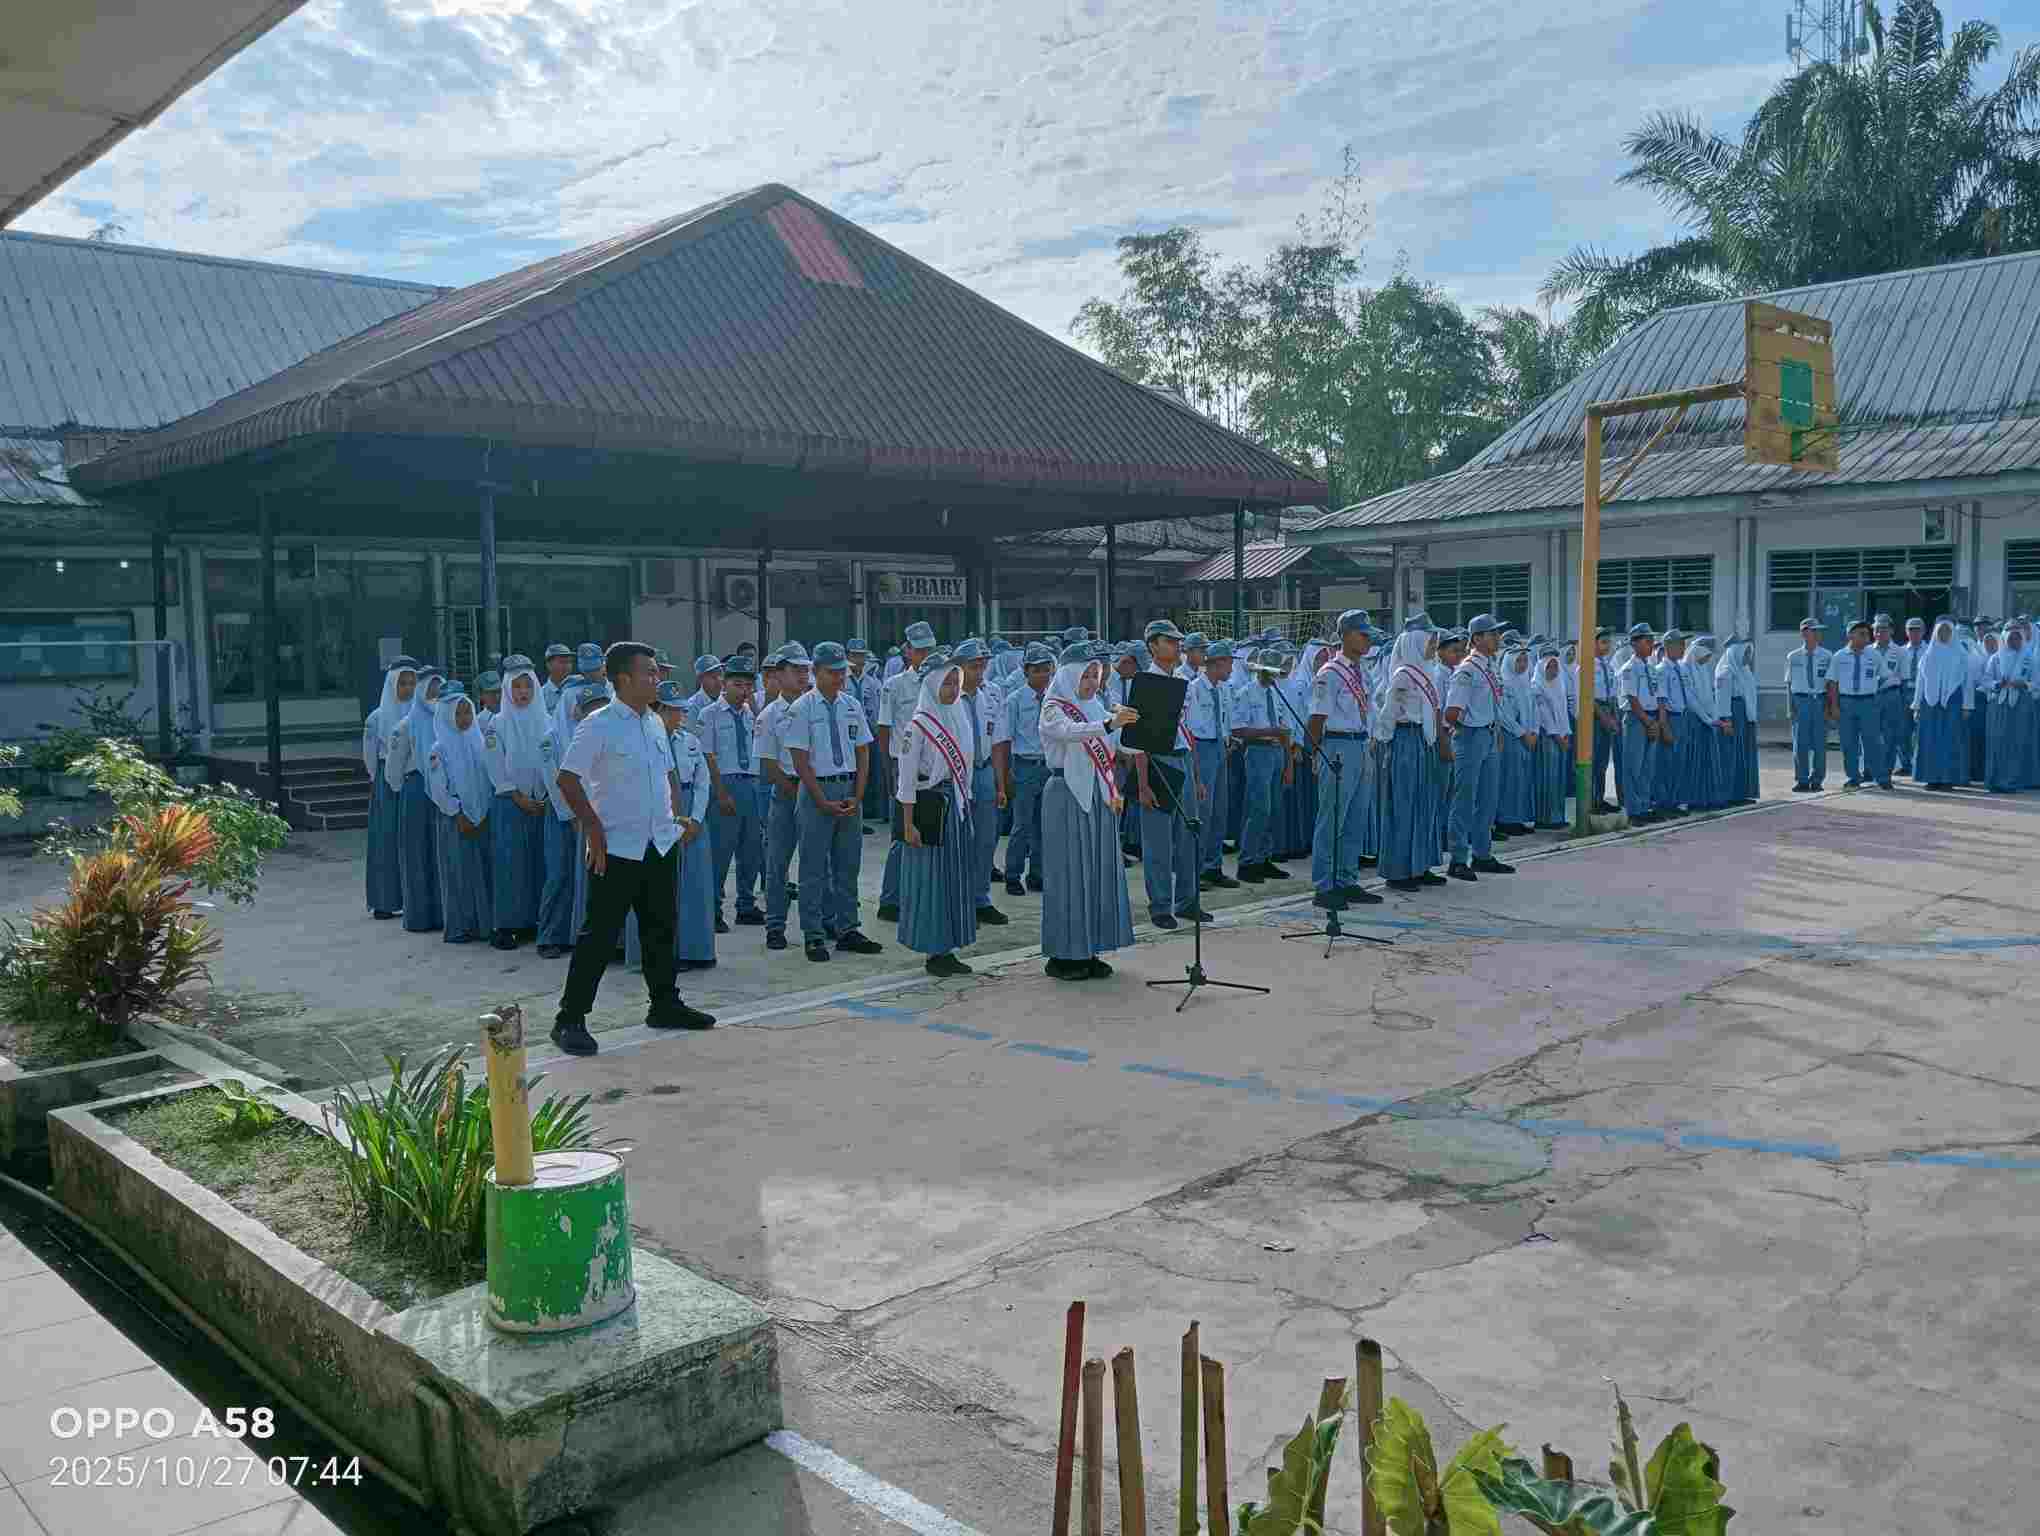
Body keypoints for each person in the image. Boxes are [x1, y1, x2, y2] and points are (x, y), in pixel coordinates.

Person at [549, 642, 715, 1057]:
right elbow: (567, 779)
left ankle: (664, 1004)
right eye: (650, 673)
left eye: (657, 673)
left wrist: (677, 818)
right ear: (623, 678)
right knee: (599, 935)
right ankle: (569, 1019)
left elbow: (668, 775)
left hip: (658, 843)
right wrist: (592, 829)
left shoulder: (655, 723)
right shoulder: (598, 724)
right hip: (617, 847)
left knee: (661, 929)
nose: (657, 679)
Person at [1037, 642, 1140, 979]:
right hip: (1065, 794)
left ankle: (1090, 948)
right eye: (1087, 675)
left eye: (1096, 675)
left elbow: (1113, 744)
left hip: (1097, 793)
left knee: (1094, 872)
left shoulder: (1094, 705)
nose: (1093, 681)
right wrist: (1110, 724)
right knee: (1069, 874)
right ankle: (1063, 955)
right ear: (1069, 675)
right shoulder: (1053, 707)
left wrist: (1134, 723)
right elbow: (1069, 733)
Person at [787, 642, 883, 962]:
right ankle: (814, 934)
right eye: (832, 672)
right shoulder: (802, 708)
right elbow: (800, 760)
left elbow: (863, 751)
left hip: (847, 790)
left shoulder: (851, 704)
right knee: (814, 868)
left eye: (843, 671)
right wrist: (820, 799)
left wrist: (858, 794)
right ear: (815, 672)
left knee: (848, 865)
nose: (840, 677)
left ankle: (848, 929)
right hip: (818, 790)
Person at [895, 653, 978, 976]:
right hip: (928, 808)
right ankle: (934, 949)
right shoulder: (917, 725)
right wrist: (908, 824)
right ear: (931, 685)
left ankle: (949, 947)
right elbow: (906, 779)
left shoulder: (957, 717)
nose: (953, 689)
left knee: (954, 877)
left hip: (954, 802)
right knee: (932, 880)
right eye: (946, 683)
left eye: (956, 683)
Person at [624, 682, 713, 976]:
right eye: (673, 710)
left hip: (689, 808)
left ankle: (694, 950)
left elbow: (702, 781)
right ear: (657, 710)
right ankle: (656, 954)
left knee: (693, 885)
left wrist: (696, 819)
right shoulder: (643, 741)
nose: (679, 716)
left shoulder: (689, 741)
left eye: (681, 710)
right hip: (657, 811)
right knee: (656, 888)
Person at [1133, 619, 1209, 929]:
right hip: (1157, 763)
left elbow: (1188, 732)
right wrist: (1143, 784)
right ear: (1153, 645)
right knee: (1158, 841)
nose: (1178, 646)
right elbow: (1135, 738)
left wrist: (1197, 776)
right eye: (1171, 641)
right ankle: (1161, 905)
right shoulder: (1145, 682)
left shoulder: (1183, 681)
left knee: (1189, 834)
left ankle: (1188, 901)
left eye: (1179, 641)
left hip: (1183, 759)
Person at [1307, 609, 1382, 908]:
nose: (1366, 641)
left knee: (1355, 817)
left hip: (1361, 745)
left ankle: (1347, 879)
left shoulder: (1360, 672)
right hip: (1337, 745)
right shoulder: (1330, 673)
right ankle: (1324, 885)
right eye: (1362, 634)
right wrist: (1317, 753)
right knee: (1332, 817)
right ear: (1347, 635)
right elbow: (1316, 719)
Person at [1371, 625, 1447, 892]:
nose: (1433, 648)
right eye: (1430, 643)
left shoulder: (1427, 672)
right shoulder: (1403, 675)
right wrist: (1383, 743)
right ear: (1415, 644)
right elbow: (1388, 713)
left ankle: (1420, 865)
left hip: (1423, 741)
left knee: (1423, 803)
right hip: (1404, 741)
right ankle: (1399, 871)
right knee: (1403, 805)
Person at [482, 660, 550, 950]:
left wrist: (544, 796)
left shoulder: (546, 721)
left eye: (527, 686)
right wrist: (518, 796)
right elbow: (495, 766)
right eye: (517, 687)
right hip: (511, 803)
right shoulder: (496, 724)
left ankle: (535, 921)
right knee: (511, 864)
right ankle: (507, 925)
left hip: (542, 803)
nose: (523, 692)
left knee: (538, 863)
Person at [876, 621, 939, 920]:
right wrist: (890, 772)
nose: (925, 655)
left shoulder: (940, 683)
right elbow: (885, 729)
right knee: (902, 835)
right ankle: (890, 901)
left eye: (929, 649)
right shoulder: (895, 685)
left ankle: (917, 896)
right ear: (908, 651)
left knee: (926, 835)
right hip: (903, 767)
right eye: (919, 650)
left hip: (934, 770)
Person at [424, 683, 492, 944]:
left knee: (481, 871)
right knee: (458, 872)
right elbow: (439, 790)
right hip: (456, 820)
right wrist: (458, 813)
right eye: (458, 713)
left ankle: (482, 924)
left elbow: (487, 779)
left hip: (482, 817)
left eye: (467, 713)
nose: (464, 719)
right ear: (446, 716)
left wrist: (484, 812)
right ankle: (459, 926)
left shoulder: (479, 742)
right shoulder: (439, 750)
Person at [1444, 614, 1511, 880]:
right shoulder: (1467, 669)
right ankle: (1458, 859)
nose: (1497, 638)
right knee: (1464, 800)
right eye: (1492, 634)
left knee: (1488, 799)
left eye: (1497, 633)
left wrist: (1493, 728)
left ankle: (1482, 854)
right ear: (1477, 638)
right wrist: (1469, 727)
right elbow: (1452, 712)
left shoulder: (1489, 666)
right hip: (1471, 736)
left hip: (1489, 734)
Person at [701, 655, 763, 931]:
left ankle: (746, 905)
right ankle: (712, 909)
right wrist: (720, 792)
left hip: (751, 784)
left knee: (751, 850)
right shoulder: (709, 714)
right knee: (720, 852)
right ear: (724, 684)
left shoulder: (752, 714)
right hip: (725, 784)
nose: (744, 690)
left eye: (748, 685)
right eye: (738, 684)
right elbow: (708, 756)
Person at [952, 639, 1010, 927]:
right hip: (957, 774)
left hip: (984, 770)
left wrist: (1000, 784)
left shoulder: (992, 696)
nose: (979, 672)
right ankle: (959, 900)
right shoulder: (948, 697)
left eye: (982, 666)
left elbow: (998, 742)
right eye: (974, 666)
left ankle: (981, 898)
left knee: (986, 839)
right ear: (959, 668)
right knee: (960, 839)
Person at [757, 644, 809, 952]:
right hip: (787, 792)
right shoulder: (769, 715)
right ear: (778, 675)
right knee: (777, 864)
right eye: (796, 670)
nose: (803, 675)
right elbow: (767, 763)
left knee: (819, 864)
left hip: (817, 790)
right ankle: (775, 926)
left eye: (806, 669)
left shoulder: (818, 707)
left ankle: (824, 922)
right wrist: (796, 791)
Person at [535, 682, 592, 958]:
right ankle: (549, 936)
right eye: (576, 703)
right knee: (558, 874)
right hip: (561, 814)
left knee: (585, 876)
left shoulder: (591, 733)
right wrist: (571, 815)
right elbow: (553, 780)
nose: (579, 709)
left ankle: (577, 935)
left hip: (588, 815)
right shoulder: (551, 737)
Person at [387, 668, 445, 933]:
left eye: (438, 688)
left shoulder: (448, 718)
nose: (434, 693)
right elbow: (394, 769)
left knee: (442, 853)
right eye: (429, 688)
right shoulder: (406, 725)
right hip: (417, 790)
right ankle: (420, 916)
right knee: (417, 854)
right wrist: (406, 789)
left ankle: (445, 913)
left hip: (444, 789)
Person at [362, 656, 418, 921]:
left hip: (415, 779)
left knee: (413, 841)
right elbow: (370, 758)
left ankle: (414, 900)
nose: (408, 688)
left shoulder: (420, 714)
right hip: (386, 783)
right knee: (386, 840)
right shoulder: (376, 718)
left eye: (412, 683)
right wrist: (381, 781)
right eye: (402, 683)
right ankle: (384, 901)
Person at [1233, 646, 1293, 882]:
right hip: (1258, 751)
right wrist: (1268, 731)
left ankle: (1264, 858)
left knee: (1274, 808)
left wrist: (1288, 763)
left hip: (1277, 752)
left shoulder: (1277, 693)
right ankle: (1247, 861)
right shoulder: (1246, 693)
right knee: (1259, 808)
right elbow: (1237, 729)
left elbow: (1285, 730)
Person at [1003, 642, 1055, 897]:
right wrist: (1006, 774)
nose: (1043, 675)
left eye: (1046, 670)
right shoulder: (1014, 700)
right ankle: (1012, 874)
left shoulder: (1055, 700)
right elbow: (1005, 738)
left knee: (1043, 825)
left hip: (1048, 766)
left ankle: (1038, 874)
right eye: (1037, 670)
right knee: (1021, 825)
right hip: (1024, 766)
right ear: (1026, 672)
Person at [1186, 640, 1237, 890]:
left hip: (1219, 747)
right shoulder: (1194, 689)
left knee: (1220, 810)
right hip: (1202, 748)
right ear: (1216, 663)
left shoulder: (1223, 689)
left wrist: (1227, 742)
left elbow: (1225, 720)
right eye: (1229, 662)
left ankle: (1213, 866)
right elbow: (1191, 733)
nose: (1231, 668)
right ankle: (1195, 870)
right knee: (1202, 812)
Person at [1829, 619, 1890, 789]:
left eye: (1867, 634)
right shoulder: (1839, 656)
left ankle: (1881, 777)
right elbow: (1832, 682)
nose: (1866, 638)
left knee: (1873, 742)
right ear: (1850, 635)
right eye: (1861, 634)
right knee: (1849, 743)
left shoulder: (1874, 655)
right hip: (1846, 702)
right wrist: (1834, 706)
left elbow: (1885, 676)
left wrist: (1875, 693)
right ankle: (1853, 777)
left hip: (1868, 702)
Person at [1908, 617, 1968, 789]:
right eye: (1940, 631)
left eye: (1947, 631)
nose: (1943, 634)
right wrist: (1917, 706)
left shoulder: (1960, 654)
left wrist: (1967, 705)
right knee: (1930, 740)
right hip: (1930, 703)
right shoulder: (1928, 655)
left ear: (1952, 633)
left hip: (1953, 702)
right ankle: (1931, 778)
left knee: (1950, 740)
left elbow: (1967, 682)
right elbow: (1921, 682)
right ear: (1935, 633)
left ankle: (1948, 779)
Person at [1616, 625, 1661, 824]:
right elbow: (1632, 699)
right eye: (1646, 640)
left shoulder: (1651, 667)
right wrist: (1648, 721)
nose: (1651, 644)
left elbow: (1658, 696)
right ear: (1635, 643)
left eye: (1651, 640)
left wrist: (1657, 721)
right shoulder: (1629, 669)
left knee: (1647, 767)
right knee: (1633, 766)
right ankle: (1633, 810)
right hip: (1637, 719)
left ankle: (1644, 806)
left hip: (1651, 718)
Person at [1786, 619, 1832, 791]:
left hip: (1819, 700)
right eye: (1815, 631)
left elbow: (1831, 683)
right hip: (1801, 700)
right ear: (1805, 633)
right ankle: (1802, 779)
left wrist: (1830, 706)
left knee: (1820, 743)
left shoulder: (1827, 656)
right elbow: (1788, 684)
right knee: (1800, 743)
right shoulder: (1793, 656)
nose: (1819, 634)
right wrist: (1790, 707)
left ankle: (1817, 779)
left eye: (1819, 631)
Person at [1984, 623, 2032, 791]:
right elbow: (1986, 681)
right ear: (2004, 639)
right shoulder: (1996, 658)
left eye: (2018, 637)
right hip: (1999, 705)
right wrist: (1998, 684)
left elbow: (2036, 682)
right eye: (2011, 638)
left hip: (2020, 704)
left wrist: (2024, 684)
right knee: (1997, 742)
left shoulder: (2029, 658)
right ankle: (1995, 781)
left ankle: (2011, 781)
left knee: (2016, 742)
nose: (2015, 641)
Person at [1495, 644, 1537, 834]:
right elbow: (1504, 715)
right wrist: (1522, 733)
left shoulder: (1525, 682)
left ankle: (1518, 818)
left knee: (1522, 779)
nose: (1522, 664)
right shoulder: (1505, 683)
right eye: (1518, 660)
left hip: (1527, 737)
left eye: (1525, 660)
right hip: (1512, 736)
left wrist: (1534, 731)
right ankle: (1506, 820)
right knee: (1510, 779)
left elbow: (1534, 709)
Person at [1714, 638, 1761, 803]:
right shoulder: (1726, 672)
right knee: (1732, 756)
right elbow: (1722, 699)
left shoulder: (1745, 671)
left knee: (1744, 756)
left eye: (1750, 653)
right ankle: (1730, 794)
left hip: (1745, 717)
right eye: (1746, 653)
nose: (1748, 657)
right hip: (1733, 716)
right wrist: (1726, 719)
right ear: (1737, 653)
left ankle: (1742, 793)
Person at [1684, 635, 1725, 811]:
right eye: (1706, 655)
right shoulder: (1685, 669)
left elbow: (1709, 695)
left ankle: (1710, 797)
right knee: (1695, 761)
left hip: (1707, 720)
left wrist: (1714, 717)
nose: (1707, 660)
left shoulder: (1703, 669)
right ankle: (1695, 800)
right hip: (1694, 720)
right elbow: (1691, 699)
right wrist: (1707, 719)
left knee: (1709, 761)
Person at [1531, 645, 1571, 827]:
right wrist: (1557, 736)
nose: (1554, 670)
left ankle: (1558, 816)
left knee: (1559, 778)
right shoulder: (1537, 686)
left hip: (1561, 736)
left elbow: (1563, 712)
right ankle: (1546, 818)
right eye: (1550, 667)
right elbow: (1544, 716)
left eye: (1556, 667)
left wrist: (1567, 733)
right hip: (1548, 737)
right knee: (1548, 776)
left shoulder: (1559, 683)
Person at [1896, 616, 1927, 775]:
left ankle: (1920, 764)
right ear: (1906, 632)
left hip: (1922, 693)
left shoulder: (1929, 650)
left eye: (1917, 630)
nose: (1914, 633)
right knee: (1903, 731)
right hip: (1905, 692)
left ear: (1923, 632)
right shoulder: (1900, 651)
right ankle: (1905, 764)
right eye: (1911, 630)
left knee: (1922, 731)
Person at [1967, 625, 1995, 782]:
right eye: (1987, 642)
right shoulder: (1978, 657)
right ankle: (1977, 771)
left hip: (1994, 702)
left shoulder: (2001, 657)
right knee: (1977, 738)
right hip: (1980, 702)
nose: (1990, 645)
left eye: (1993, 642)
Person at [684, 655, 724, 737]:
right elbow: (693, 741)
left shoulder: (728, 698)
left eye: (720, 674)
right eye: (713, 677)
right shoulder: (692, 707)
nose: (718, 680)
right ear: (700, 679)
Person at [540, 643, 575, 716]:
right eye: (562, 662)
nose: (567, 666)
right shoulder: (541, 695)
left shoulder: (578, 687)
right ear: (549, 665)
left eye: (569, 662)